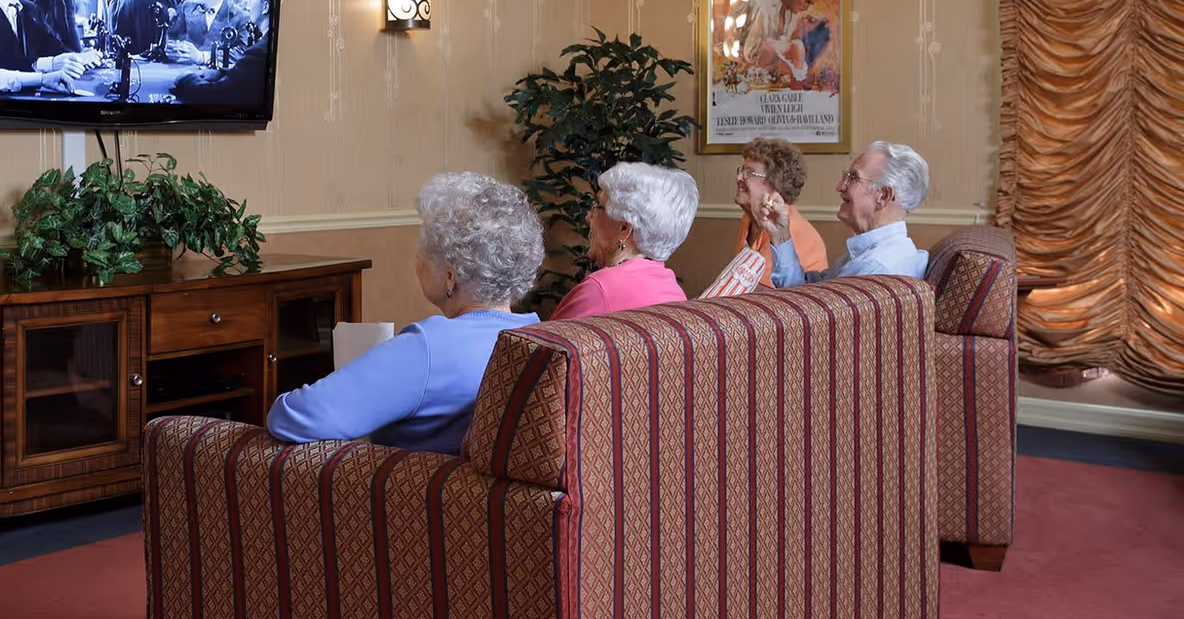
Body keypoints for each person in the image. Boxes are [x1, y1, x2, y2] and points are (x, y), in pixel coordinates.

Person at [265, 171, 544, 455]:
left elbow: (293, 418)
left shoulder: (429, 347)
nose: (417, 260)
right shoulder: (541, 336)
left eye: (424, 250)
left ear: (450, 276)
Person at [758, 140, 931, 286]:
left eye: (853, 178)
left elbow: (810, 314)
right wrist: (780, 233)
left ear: (883, 195)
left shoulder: (873, 269)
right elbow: (806, 294)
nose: (840, 186)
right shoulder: (875, 253)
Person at [549, 163, 698, 320]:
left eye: (598, 207)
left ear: (624, 229)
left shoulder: (599, 290)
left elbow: (539, 344)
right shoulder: (673, 289)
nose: (588, 217)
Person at [733, 137, 828, 284]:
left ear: (776, 183)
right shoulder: (749, 218)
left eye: (750, 173)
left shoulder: (789, 230)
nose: (739, 177)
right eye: (741, 170)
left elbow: (760, 292)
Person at [740, 0, 824, 81]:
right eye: (806, 1)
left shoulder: (793, 12)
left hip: (769, 72)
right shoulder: (765, 3)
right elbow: (750, 51)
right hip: (752, 66)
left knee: (798, 46)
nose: (806, 7)